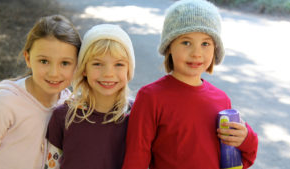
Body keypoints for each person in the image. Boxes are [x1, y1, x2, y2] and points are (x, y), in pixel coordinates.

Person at [122, 0, 258, 169]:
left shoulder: (222, 100)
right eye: (186, 42)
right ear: (169, 46)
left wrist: (246, 138)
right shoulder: (150, 97)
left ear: (215, 49)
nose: (196, 53)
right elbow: (136, 157)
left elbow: (237, 160)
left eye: (205, 44)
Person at [0, 15, 81, 169]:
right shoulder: (5, 102)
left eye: (65, 63)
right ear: (28, 58)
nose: (54, 73)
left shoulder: (70, 107)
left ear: (77, 65)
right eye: (44, 61)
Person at [44, 24, 135, 169]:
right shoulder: (63, 116)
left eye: (119, 64)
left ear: (129, 70)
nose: (108, 74)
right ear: (84, 69)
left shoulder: (138, 115)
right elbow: (51, 165)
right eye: (97, 64)